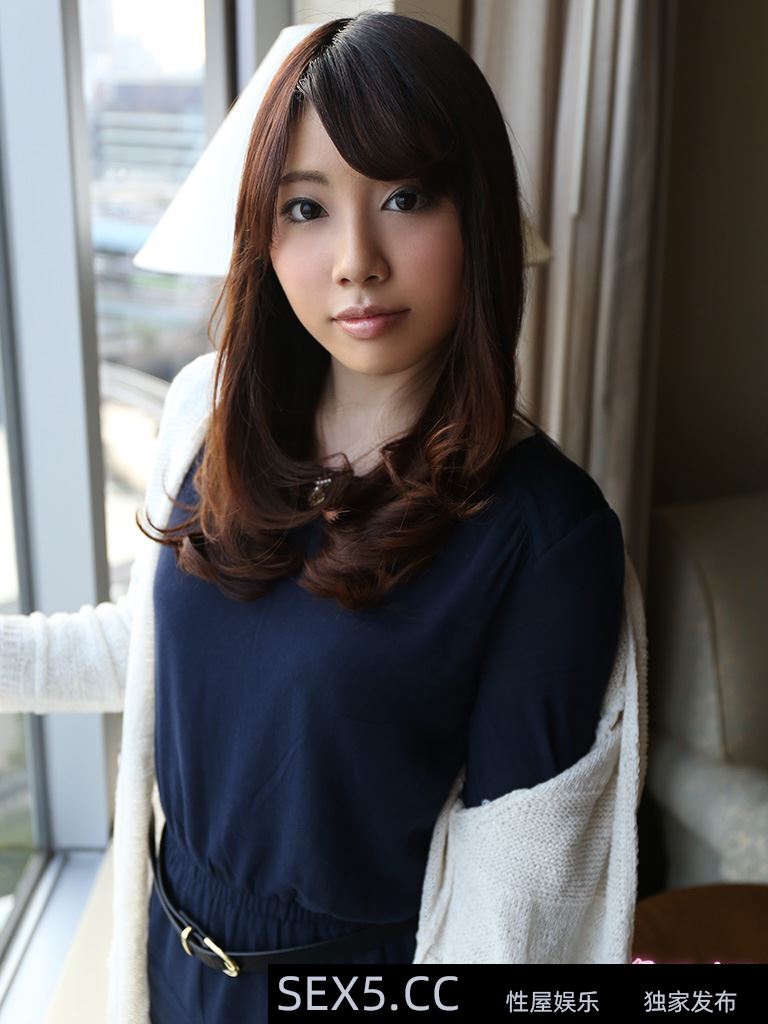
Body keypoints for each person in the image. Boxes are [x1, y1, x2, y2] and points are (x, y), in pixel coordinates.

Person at [0, 11, 647, 1024]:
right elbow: (167, 651)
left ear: (476, 213)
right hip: (172, 963)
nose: (355, 259)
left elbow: (510, 916)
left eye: (404, 197)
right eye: (305, 207)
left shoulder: (544, 537)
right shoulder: (212, 415)